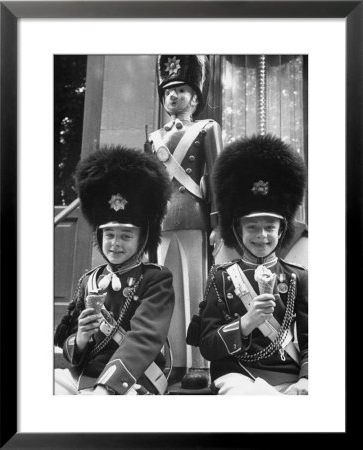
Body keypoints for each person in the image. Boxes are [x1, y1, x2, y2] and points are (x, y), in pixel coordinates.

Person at [54, 145, 174, 395]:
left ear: (143, 239)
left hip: (133, 380)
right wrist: (81, 338)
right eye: (109, 234)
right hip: (84, 377)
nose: (115, 243)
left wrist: (106, 388)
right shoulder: (89, 280)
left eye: (126, 235)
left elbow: (143, 339)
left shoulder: (156, 279)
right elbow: (71, 345)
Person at [198, 134, 308, 395]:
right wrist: (246, 323)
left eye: (270, 227)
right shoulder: (221, 277)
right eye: (252, 227)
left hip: (292, 377)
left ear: (281, 230)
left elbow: (312, 338)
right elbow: (207, 345)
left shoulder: (298, 277)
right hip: (238, 376)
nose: (262, 235)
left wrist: (306, 379)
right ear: (237, 230)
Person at [147, 55, 223, 385]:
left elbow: (217, 177)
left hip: (194, 219)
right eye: (168, 92)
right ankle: (176, 361)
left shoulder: (207, 129)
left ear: (195, 97)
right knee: (169, 296)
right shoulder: (153, 139)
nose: (173, 96)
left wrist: (218, 223)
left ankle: (199, 366)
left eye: (180, 90)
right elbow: (149, 185)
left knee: (196, 292)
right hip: (162, 224)